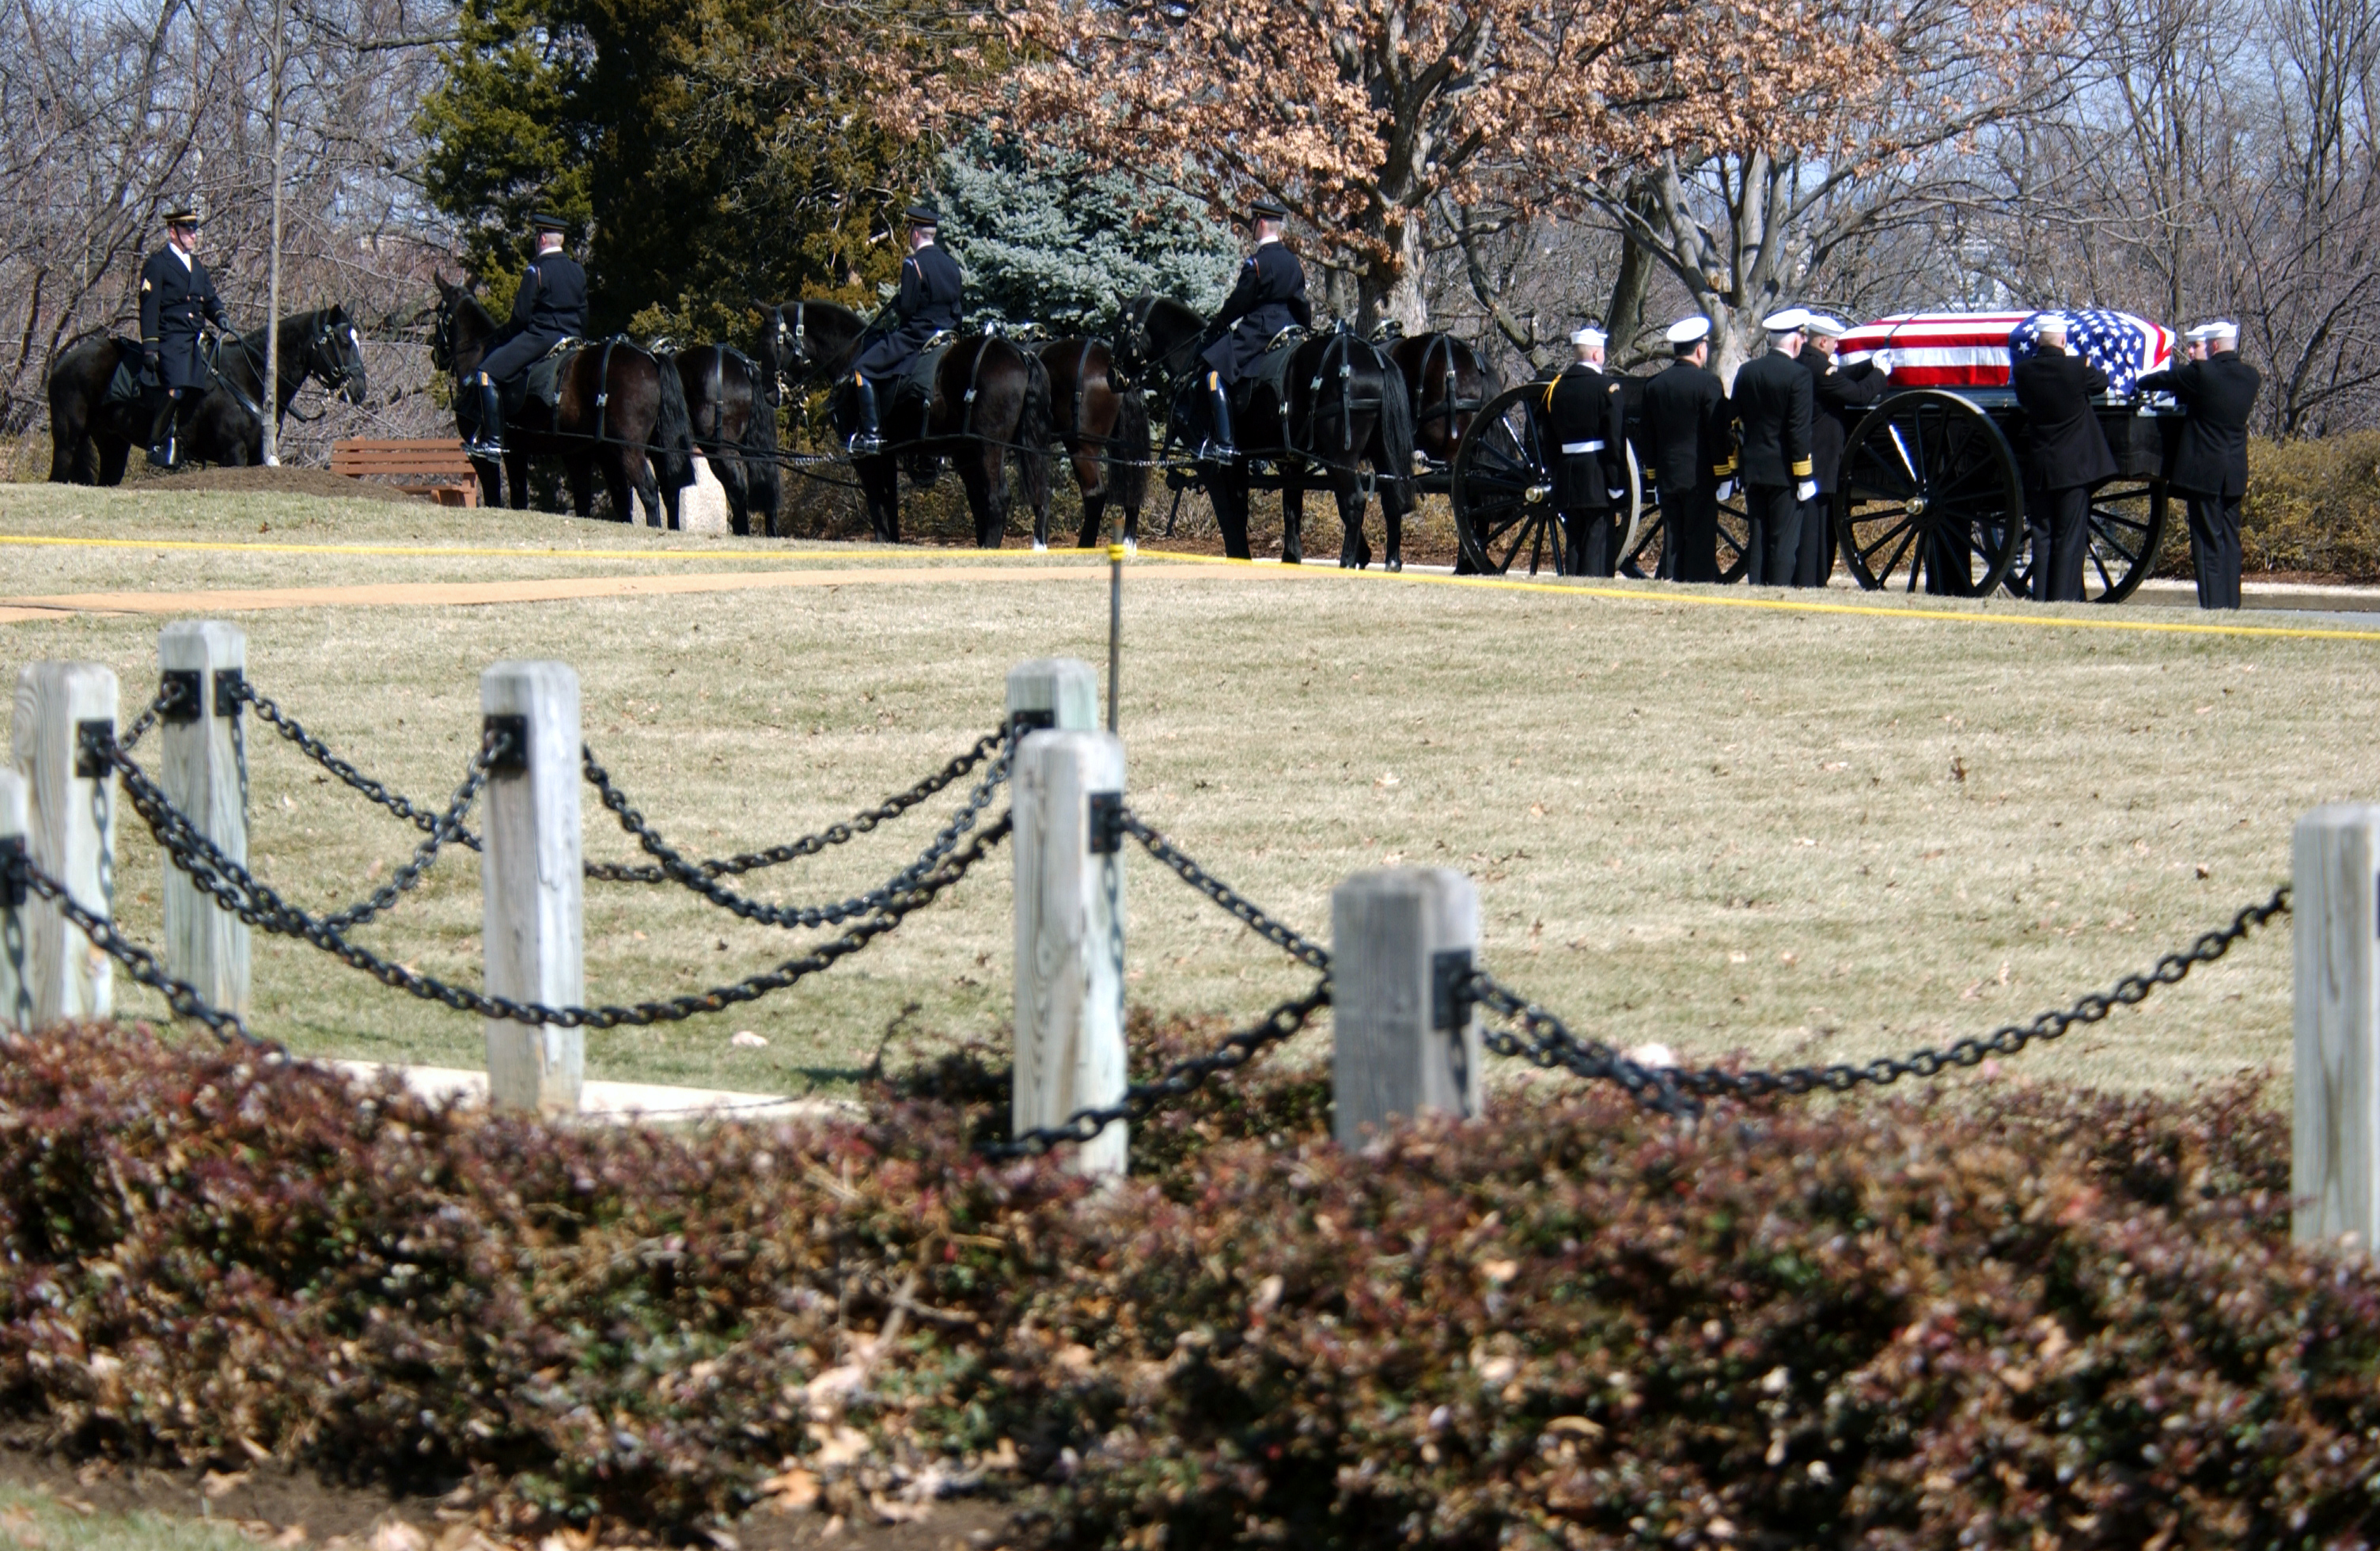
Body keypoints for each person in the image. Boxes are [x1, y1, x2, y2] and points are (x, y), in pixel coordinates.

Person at [2136, 320, 2261, 609]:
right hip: (2234, 470)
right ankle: (2231, 604)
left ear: (2213, 346)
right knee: (2230, 540)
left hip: (2204, 471)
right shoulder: (2251, 377)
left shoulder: (2204, 374)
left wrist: (2140, 381)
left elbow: (2165, 379)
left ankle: (2213, 606)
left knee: (2206, 543)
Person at [462, 212, 589, 459]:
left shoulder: (536, 271)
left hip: (541, 338)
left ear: (541, 239)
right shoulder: (577, 271)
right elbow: (584, 315)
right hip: (573, 338)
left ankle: (494, 441)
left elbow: (520, 318)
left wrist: (502, 336)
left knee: (486, 373)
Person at [2009, 313, 2116, 601]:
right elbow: (2103, 382)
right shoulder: (2076, 368)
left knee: (2042, 535)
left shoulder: (2023, 372)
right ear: (2064, 341)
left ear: (2038, 342)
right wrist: (2085, 363)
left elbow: (2022, 400)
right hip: (2075, 468)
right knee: (2069, 537)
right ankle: (2064, 598)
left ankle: (2043, 597)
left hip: (2041, 466)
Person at [1197, 196, 1309, 461]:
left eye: (1252, 223)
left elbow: (1239, 303)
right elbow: (1302, 303)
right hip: (1289, 332)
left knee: (1214, 374)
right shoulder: (1293, 263)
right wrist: (1304, 330)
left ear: (1259, 224)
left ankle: (1225, 444)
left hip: (1258, 332)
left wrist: (1218, 325)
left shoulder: (1256, 264)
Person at [847, 202, 964, 455]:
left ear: (915, 233)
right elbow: (957, 311)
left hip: (916, 336)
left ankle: (872, 436)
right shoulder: (951, 265)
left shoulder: (913, 264)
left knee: (862, 368)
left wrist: (899, 303)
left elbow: (908, 310)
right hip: (947, 336)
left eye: (909, 229)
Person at [1636, 317, 1734, 582]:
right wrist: (1724, 474)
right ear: (1700, 349)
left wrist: (1654, 476)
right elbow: (1716, 434)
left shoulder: (1655, 386)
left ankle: (1672, 581)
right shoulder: (1708, 384)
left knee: (1674, 538)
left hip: (1668, 477)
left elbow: (1647, 437)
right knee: (1700, 540)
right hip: (1700, 477)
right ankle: (1699, 585)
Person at [1796, 314, 1885, 587]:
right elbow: (1858, 394)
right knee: (1817, 529)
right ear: (1823, 341)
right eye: (1834, 342)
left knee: (1820, 528)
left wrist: (1870, 364)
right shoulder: (1819, 371)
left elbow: (1842, 376)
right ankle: (1811, 581)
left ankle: (1813, 579)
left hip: (1817, 460)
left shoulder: (1809, 364)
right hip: (1820, 461)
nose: (1836, 347)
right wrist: (1881, 374)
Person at [1730, 308, 1817, 586]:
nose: (1803, 343)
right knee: (1783, 542)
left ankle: (1757, 590)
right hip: (1785, 473)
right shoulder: (1799, 377)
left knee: (1758, 539)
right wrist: (1804, 476)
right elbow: (1798, 432)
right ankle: (1778, 592)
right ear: (1794, 341)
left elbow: (1734, 421)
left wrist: (1738, 464)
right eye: (1802, 338)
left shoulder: (1747, 372)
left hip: (1753, 470)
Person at [137, 204, 226, 468]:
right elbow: (149, 307)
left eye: (195, 230)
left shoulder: (197, 266)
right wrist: (150, 347)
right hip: (171, 338)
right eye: (188, 230)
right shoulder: (158, 264)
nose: (194, 235)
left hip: (195, 337)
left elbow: (209, 299)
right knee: (177, 389)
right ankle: (155, 443)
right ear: (172, 231)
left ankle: (187, 445)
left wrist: (221, 315)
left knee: (208, 389)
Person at [1542, 323, 1629, 575]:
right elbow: (1615, 441)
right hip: (1597, 475)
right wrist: (1616, 482)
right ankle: (1592, 591)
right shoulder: (1607, 388)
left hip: (1568, 476)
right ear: (1595, 354)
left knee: (1575, 540)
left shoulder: (1555, 389)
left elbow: (1549, 440)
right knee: (1596, 541)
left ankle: (1572, 588)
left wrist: (1557, 473)